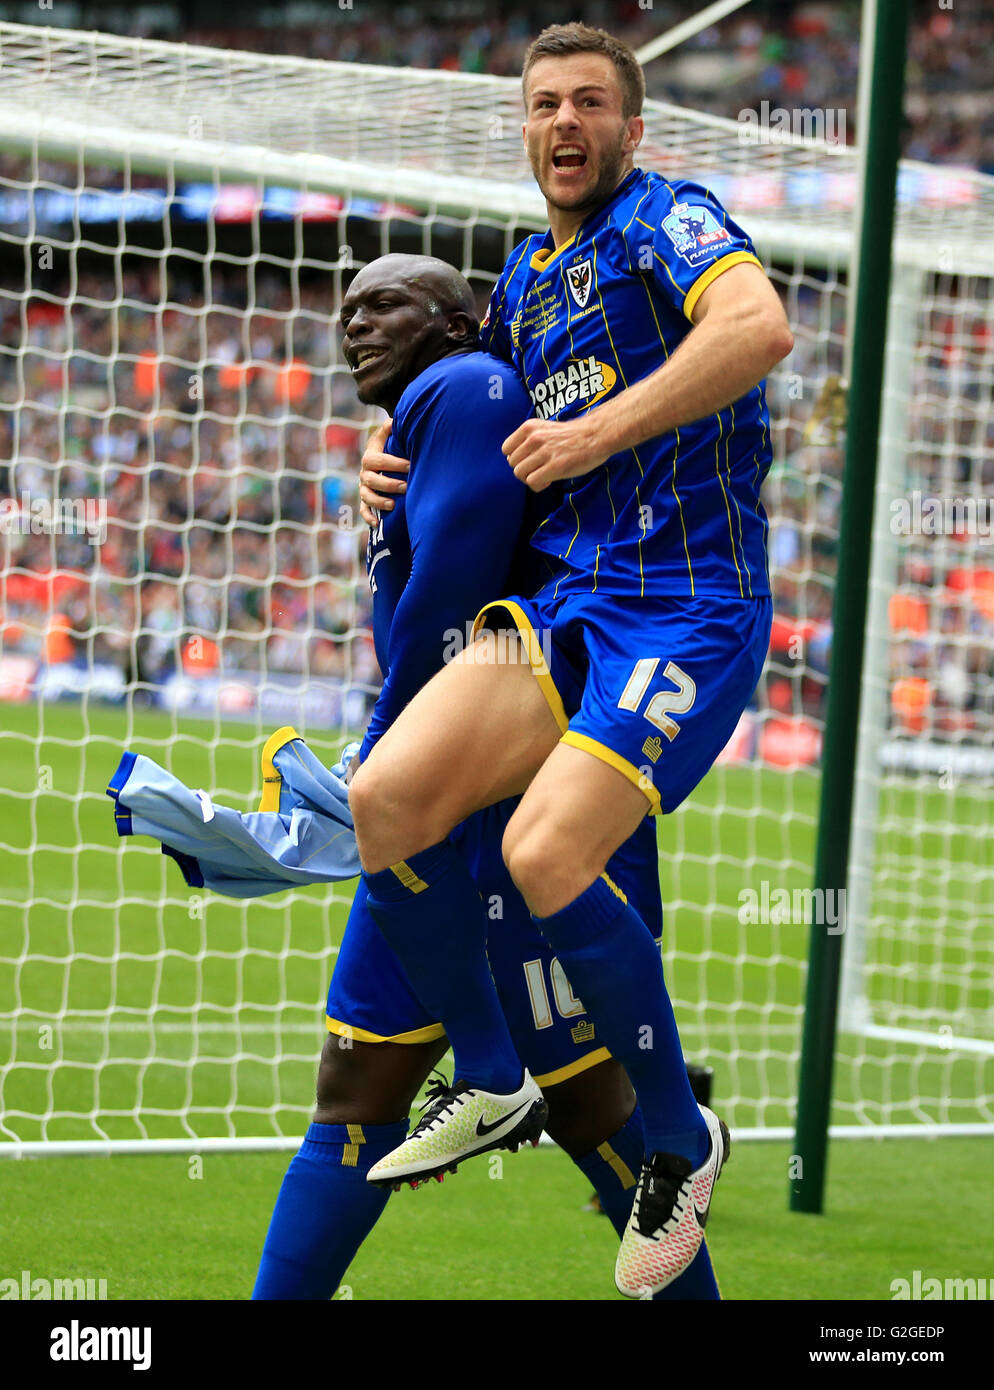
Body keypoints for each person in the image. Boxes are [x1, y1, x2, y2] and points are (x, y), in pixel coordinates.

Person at [348, 23, 792, 1298]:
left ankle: (677, 1133)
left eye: (590, 102)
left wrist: (595, 432)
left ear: (628, 127)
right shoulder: (528, 275)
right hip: (570, 606)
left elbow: (757, 330)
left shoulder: (669, 217)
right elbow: (458, 408)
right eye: (543, 103)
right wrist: (385, 461)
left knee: (545, 856)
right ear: (525, 126)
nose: (564, 123)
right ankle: (490, 1076)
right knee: (387, 795)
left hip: (688, 607)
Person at [251, 252, 721, 1301]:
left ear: (457, 320)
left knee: (601, 1118)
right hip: (436, 812)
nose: (353, 325)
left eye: (384, 304)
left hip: (516, 806)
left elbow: (452, 607)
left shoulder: (468, 389)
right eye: (345, 309)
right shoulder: (430, 416)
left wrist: (377, 749)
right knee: (356, 1089)